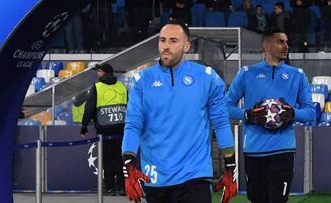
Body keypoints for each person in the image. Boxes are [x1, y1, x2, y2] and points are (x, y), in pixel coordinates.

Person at [121, 20, 237, 203]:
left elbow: (221, 123)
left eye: (173, 41)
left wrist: (231, 167)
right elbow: (133, 125)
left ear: (187, 46)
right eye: (163, 40)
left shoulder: (207, 78)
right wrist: (128, 162)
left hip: (195, 177)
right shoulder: (141, 81)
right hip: (156, 179)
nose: (166, 46)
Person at [225, 28, 316, 203]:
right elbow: (225, 106)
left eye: (287, 42)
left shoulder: (297, 75)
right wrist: (248, 114)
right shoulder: (246, 73)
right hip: (253, 152)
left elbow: (310, 112)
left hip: (283, 150)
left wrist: (293, 113)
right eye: (280, 42)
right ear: (266, 45)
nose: (286, 46)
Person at [80, 63, 128, 195]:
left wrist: (84, 126)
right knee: (119, 158)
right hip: (121, 128)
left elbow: (89, 109)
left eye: (99, 71)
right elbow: (129, 106)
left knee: (106, 159)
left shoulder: (97, 87)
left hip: (104, 129)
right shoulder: (122, 86)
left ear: (105, 72)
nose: (97, 73)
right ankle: (123, 188)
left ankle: (110, 188)